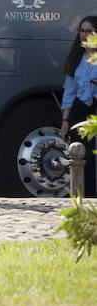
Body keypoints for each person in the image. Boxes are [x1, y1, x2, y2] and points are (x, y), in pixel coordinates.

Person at [59, 16, 97, 196]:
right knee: (81, 153)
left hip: (95, 108)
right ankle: (81, 193)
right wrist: (65, 120)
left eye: (89, 31)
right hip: (80, 110)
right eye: (82, 31)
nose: (84, 35)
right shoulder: (76, 58)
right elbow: (69, 92)